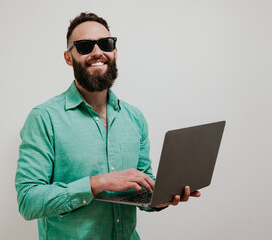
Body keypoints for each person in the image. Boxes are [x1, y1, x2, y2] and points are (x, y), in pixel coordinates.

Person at [15, 12, 200, 240]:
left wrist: (160, 199)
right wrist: (97, 183)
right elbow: (28, 200)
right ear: (68, 58)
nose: (97, 52)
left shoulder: (134, 118)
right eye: (84, 46)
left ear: (114, 51)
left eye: (105, 44)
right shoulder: (44, 118)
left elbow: (144, 187)